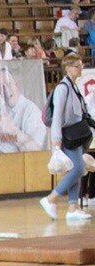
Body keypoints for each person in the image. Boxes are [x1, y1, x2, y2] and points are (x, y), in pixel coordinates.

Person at [40, 53, 92, 223]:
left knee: (75, 169)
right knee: (78, 168)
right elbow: (56, 118)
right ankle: (50, 199)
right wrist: (56, 142)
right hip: (66, 136)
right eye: (77, 66)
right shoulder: (62, 88)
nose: (80, 68)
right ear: (68, 68)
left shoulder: (74, 86)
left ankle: (73, 208)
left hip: (75, 135)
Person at [0, 67, 47, 154]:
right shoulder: (2, 110)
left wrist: (12, 130)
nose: (6, 90)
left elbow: (35, 150)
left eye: (9, 84)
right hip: (0, 162)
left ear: (16, 84)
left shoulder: (31, 111)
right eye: (1, 87)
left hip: (20, 164)